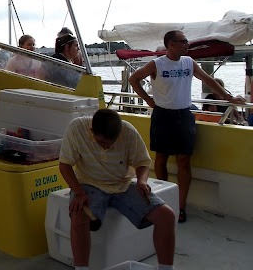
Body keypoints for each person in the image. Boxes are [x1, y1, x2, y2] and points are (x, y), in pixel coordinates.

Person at [129, 30, 246, 223]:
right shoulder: (157, 64)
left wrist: (228, 97)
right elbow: (134, 79)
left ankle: (181, 206)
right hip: (163, 115)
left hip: (183, 114)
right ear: (171, 44)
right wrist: (148, 100)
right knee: (161, 158)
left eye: (186, 41)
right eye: (183, 41)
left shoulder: (189, 62)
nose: (187, 44)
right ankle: (163, 201)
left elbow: (208, 80)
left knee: (184, 160)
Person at [59, 109, 177, 270]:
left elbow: (142, 162)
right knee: (78, 215)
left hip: (122, 184)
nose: (107, 147)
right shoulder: (77, 128)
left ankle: (166, 268)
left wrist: (142, 181)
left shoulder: (128, 132)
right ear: (92, 131)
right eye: (102, 143)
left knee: (167, 216)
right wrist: (78, 193)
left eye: (112, 143)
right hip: (89, 182)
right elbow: (65, 165)